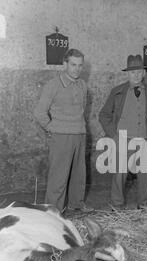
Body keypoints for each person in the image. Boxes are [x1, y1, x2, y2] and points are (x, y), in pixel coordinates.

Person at [99, 54, 147, 210]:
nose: (136, 75)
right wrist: (113, 134)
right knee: (119, 174)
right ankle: (117, 205)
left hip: (145, 140)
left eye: (139, 71)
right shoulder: (117, 92)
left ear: (144, 73)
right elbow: (104, 114)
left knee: (146, 174)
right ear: (127, 73)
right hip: (123, 139)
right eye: (132, 72)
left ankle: (144, 204)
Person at [33, 48, 94, 213]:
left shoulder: (83, 85)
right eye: (73, 64)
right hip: (61, 137)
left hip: (80, 134)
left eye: (80, 65)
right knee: (58, 177)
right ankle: (53, 211)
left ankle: (77, 204)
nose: (77, 69)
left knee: (79, 175)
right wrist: (51, 127)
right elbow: (39, 112)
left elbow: (81, 111)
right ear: (64, 64)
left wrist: (83, 130)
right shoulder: (53, 85)